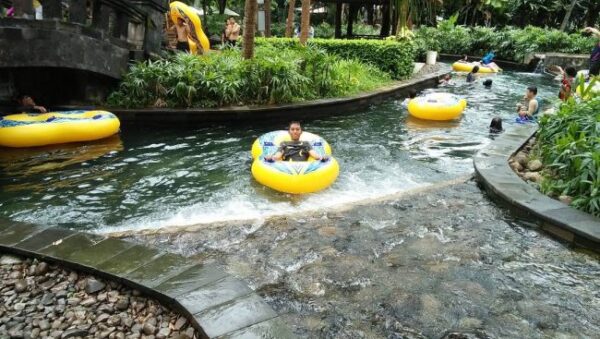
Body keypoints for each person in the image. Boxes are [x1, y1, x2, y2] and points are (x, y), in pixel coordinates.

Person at [265, 121, 329, 162]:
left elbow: (314, 155)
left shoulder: (305, 143)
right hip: (287, 169)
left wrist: (322, 158)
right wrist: (271, 158)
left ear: (301, 132)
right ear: (289, 132)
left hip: (304, 170)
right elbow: (278, 155)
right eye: (292, 129)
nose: (295, 132)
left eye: (297, 129)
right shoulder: (284, 143)